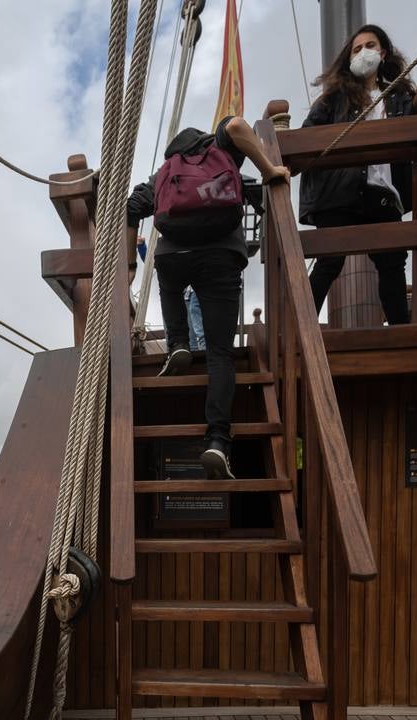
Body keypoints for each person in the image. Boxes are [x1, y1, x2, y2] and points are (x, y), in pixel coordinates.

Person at [127, 116, 289, 479]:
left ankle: (179, 343)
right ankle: (217, 440)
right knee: (219, 353)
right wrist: (269, 169)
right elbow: (236, 126)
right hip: (220, 255)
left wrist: (128, 266)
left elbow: (131, 207)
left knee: (169, 283)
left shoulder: (166, 172)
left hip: (174, 255)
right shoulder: (220, 148)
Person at [300, 24, 417, 325]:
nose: (363, 53)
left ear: (383, 52)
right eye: (356, 49)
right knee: (329, 259)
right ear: (348, 58)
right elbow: (307, 135)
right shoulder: (334, 99)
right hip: (339, 192)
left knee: (392, 263)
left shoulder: (399, 96)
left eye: (369, 46)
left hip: (381, 192)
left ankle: (401, 335)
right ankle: (301, 328)